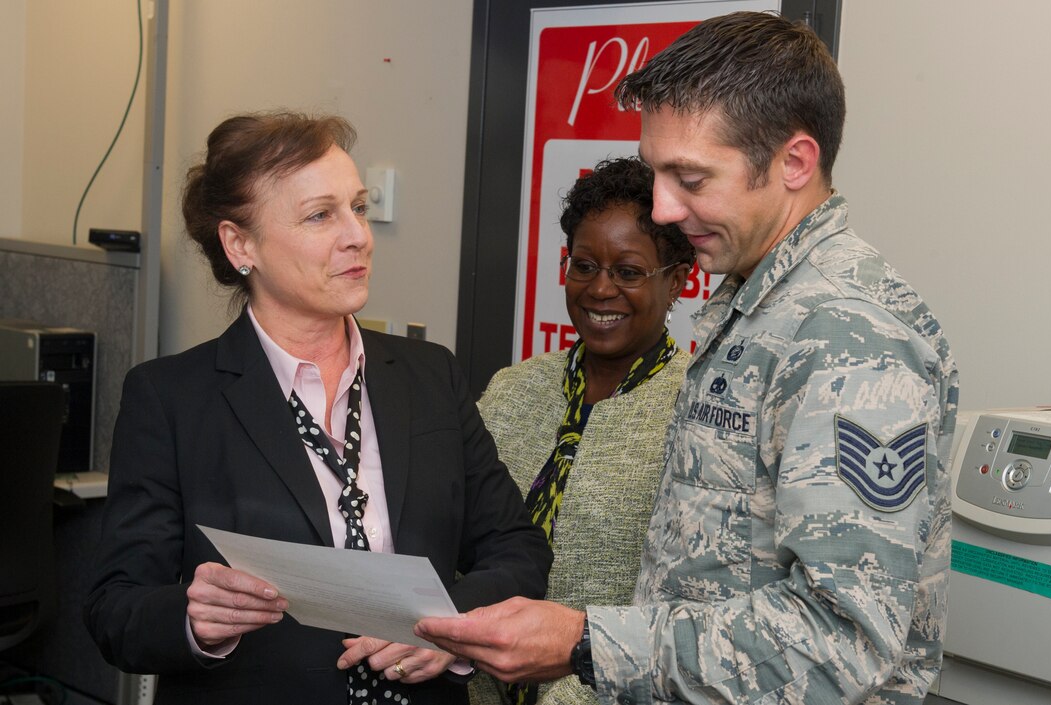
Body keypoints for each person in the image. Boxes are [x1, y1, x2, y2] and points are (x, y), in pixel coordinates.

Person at [415, 11, 959, 705]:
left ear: (793, 162)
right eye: (656, 174)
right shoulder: (754, 305)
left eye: (691, 179)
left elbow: (840, 639)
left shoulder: (850, 337)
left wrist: (584, 642)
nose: (665, 209)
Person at [83, 111, 551, 705]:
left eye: (358, 206)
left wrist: (450, 627)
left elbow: (517, 548)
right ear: (240, 244)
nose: (358, 234)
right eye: (320, 215)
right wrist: (192, 616)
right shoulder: (171, 398)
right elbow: (114, 607)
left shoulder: (429, 375)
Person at [469, 157, 694, 705]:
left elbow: (688, 608)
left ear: (678, 283)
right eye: (584, 265)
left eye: (628, 271)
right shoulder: (512, 390)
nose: (600, 289)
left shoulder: (698, 410)